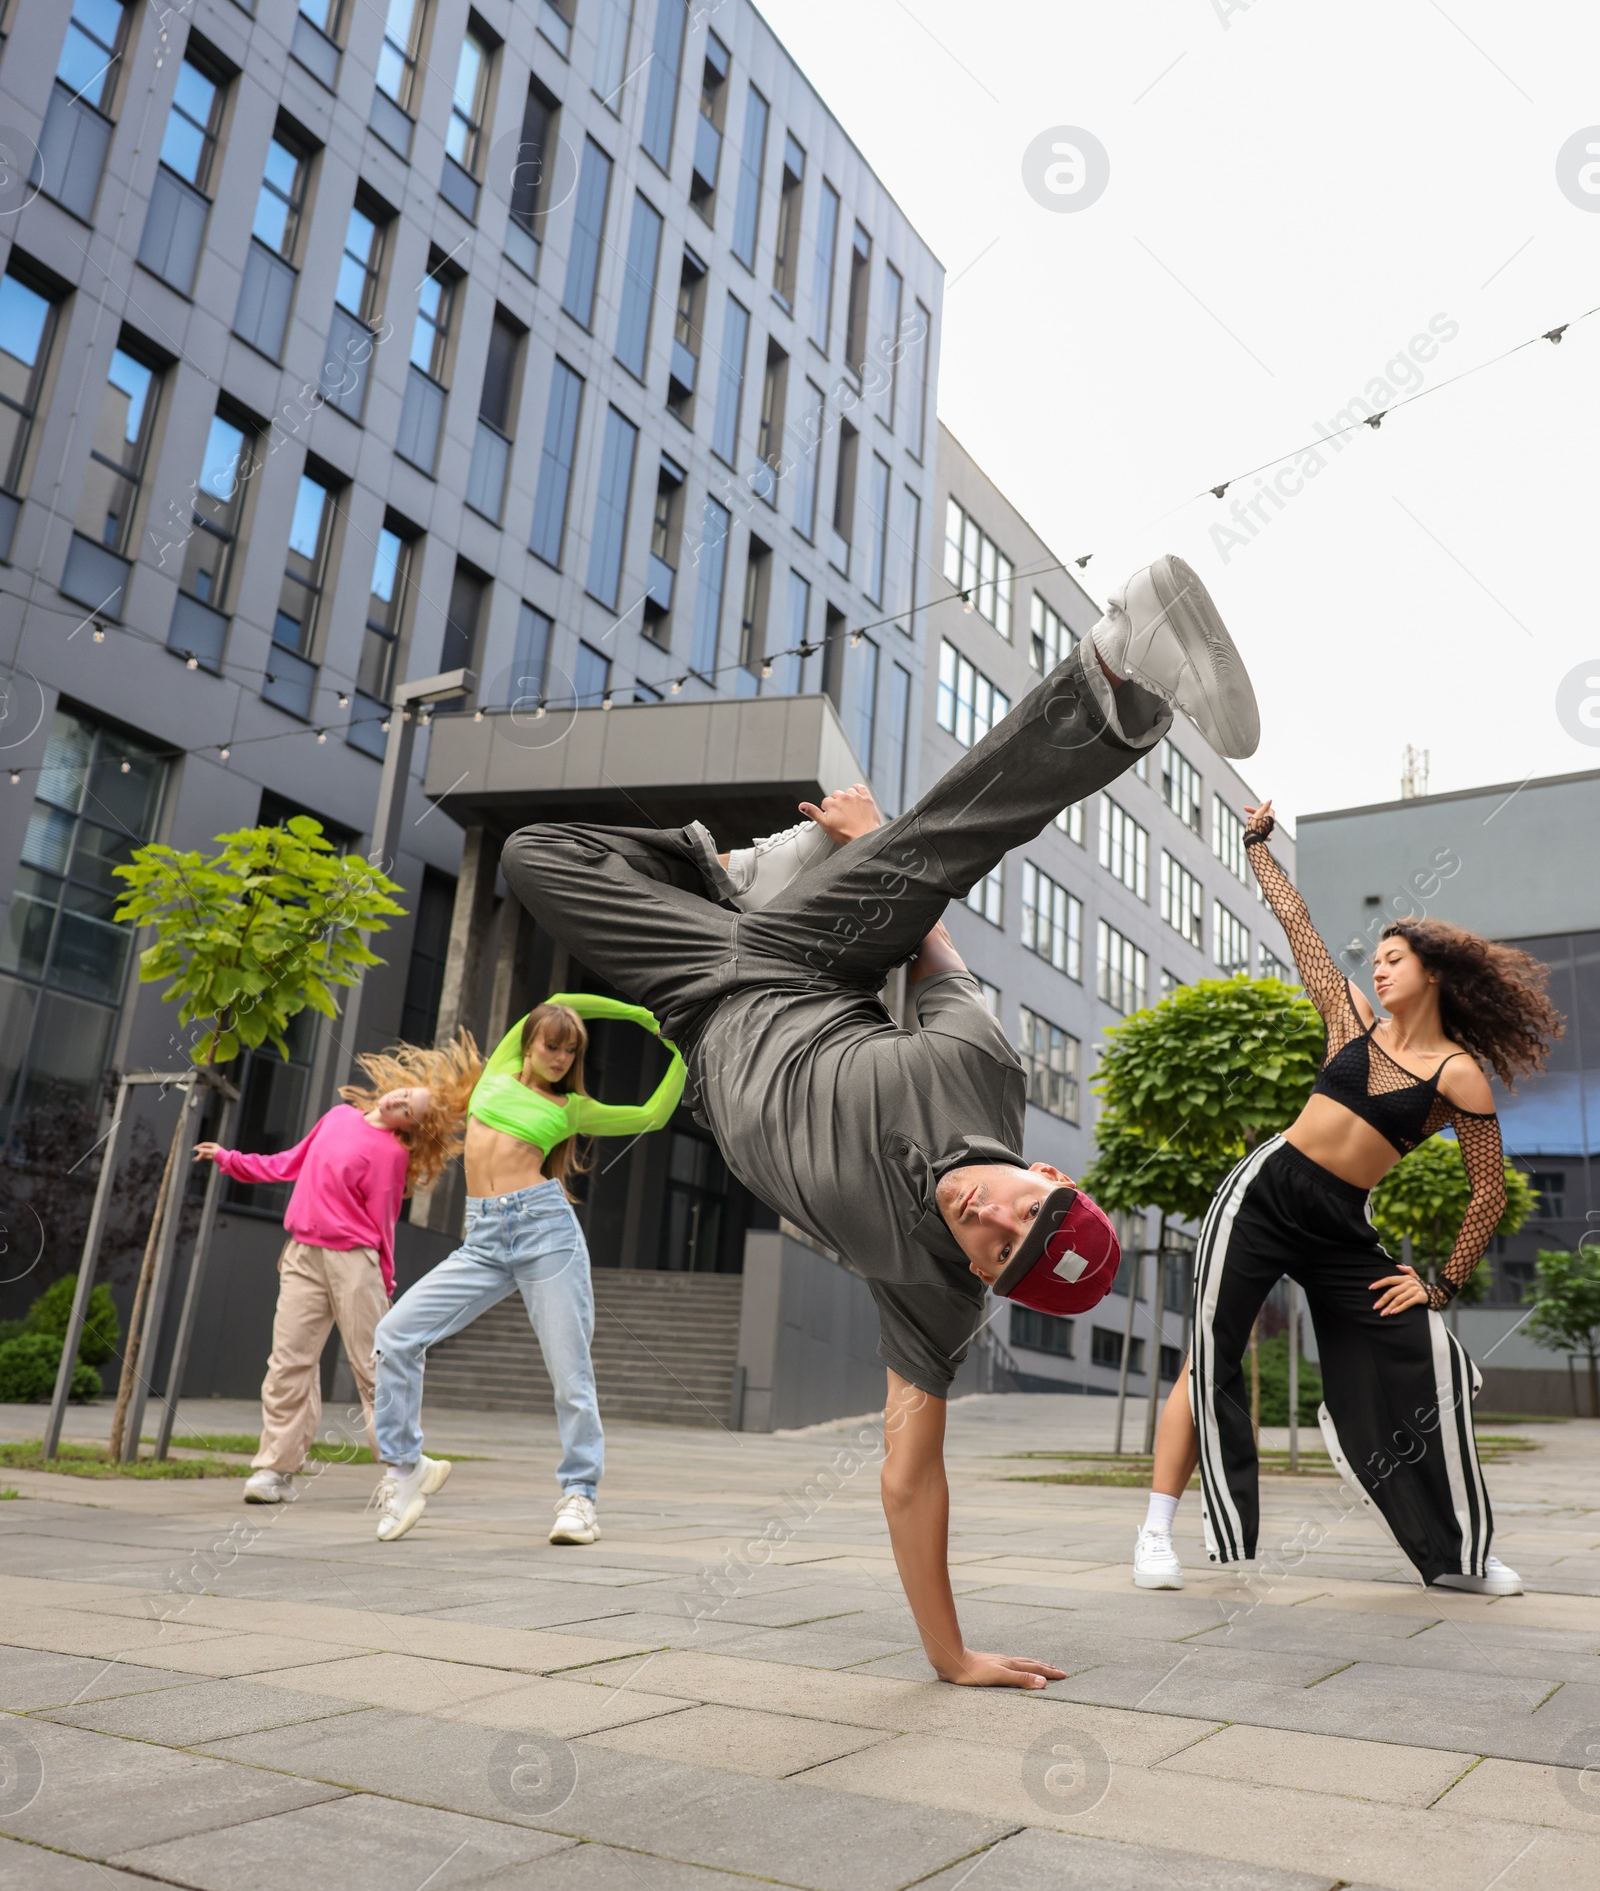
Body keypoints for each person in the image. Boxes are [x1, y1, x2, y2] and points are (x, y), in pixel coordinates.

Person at [499, 556, 1260, 1688]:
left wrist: (949, 1653)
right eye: (1022, 1204)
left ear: (984, 1279)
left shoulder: (931, 1294)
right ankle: (1117, 677)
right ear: (1047, 1170)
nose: (984, 1213)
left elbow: (911, 1473)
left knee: (530, 858)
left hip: (709, 1007)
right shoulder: (981, 1065)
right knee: (938, 850)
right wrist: (871, 844)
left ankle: (727, 872)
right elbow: (931, 929)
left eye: (996, 1247)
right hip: (803, 959)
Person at [1133, 801, 1562, 1597]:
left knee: (1424, 1353)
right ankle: (1156, 1531)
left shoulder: (1456, 1073)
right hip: (1264, 1194)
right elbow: (1298, 924)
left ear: (1433, 972)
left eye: (1396, 959)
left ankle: (1457, 1552)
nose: (1380, 969)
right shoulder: (1349, 1023)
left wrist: (1440, 1283)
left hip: (1339, 1225)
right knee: (1210, 1355)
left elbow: (1487, 1188)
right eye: (1379, 959)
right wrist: (1259, 849)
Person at [369, 995, 685, 1544]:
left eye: (570, 1050)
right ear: (530, 1043)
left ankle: (580, 1496)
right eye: (551, 1045)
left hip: (546, 1235)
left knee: (570, 1374)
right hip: (484, 1238)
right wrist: (638, 1014)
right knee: (396, 1334)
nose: (560, 1057)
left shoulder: (571, 1109)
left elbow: (652, 1116)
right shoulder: (497, 1072)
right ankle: (405, 1468)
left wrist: (682, 1044)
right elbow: (561, 1001)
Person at [196, 1037, 482, 1506]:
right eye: (405, 1093)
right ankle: (275, 1470)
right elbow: (288, 1163)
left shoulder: (391, 1154)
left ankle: (400, 1470)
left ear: (412, 1127)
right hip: (304, 1254)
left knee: (375, 1369)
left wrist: (384, 1282)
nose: (400, 1101)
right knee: (288, 1362)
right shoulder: (337, 1117)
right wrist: (230, 1159)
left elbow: (383, 1224)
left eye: (410, 1109)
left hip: (355, 1263)